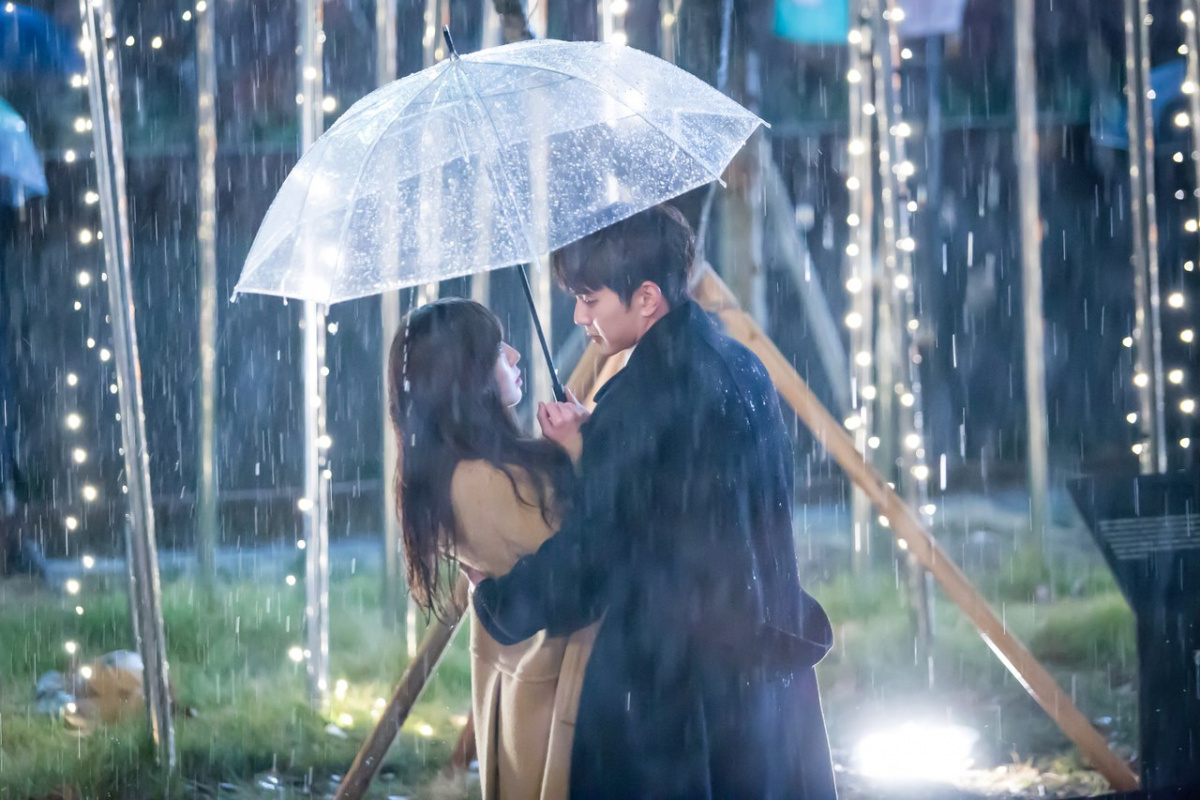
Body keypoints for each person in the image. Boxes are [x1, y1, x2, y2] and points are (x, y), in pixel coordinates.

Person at [471, 204, 838, 798]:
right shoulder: (740, 364)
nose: (579, 316)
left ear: (645, 298)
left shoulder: (645, 399)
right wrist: (597, 440)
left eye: (590, 300)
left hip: (678, 694)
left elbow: (596, 554)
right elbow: (693, 499)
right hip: (760, 664)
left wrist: (499, 601)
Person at [387, 298, 598, 800]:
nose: (516, 356)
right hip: (555, 683)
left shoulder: (446, 471)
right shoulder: (490, 482)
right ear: (468, 375)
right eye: (498, 350)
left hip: (518, 681)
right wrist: (582, 454)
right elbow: (589, 555)